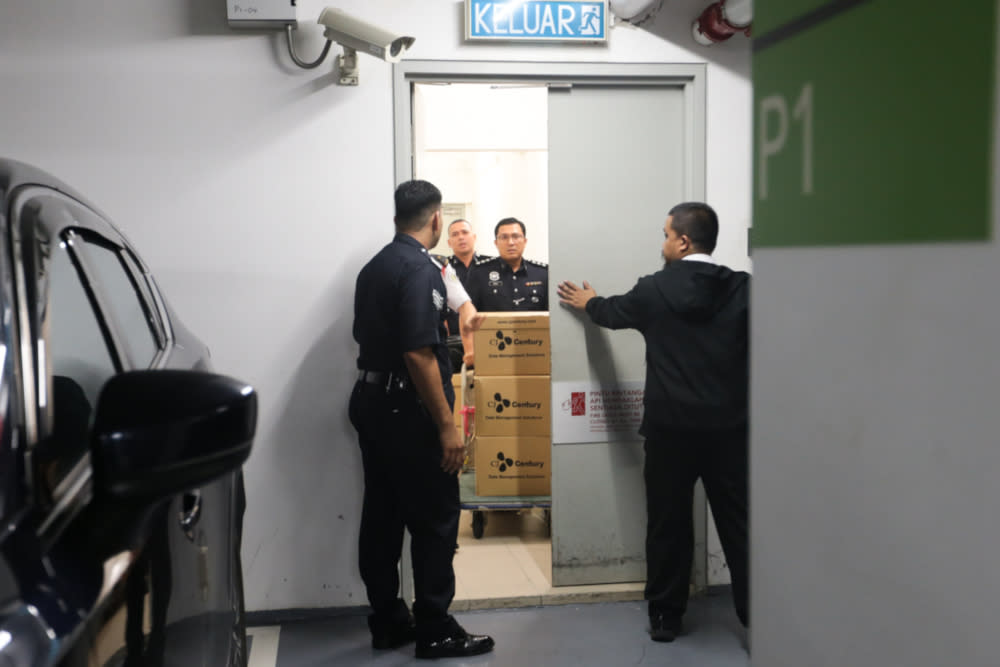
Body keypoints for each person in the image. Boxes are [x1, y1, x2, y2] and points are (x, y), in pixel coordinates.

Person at [556, 202, 749, 643]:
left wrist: (590, 303)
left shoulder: (654, 289)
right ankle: (757, 614)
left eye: (665, 235)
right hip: (730, 431)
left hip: (671, 431)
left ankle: (665, 616)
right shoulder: (744, 289)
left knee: (668, 523)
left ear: (682, 241)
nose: (662, 244)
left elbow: (612, 312)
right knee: (740, 525)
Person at [349, 179, 494, 659]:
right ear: (436, 220)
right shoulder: (420, 270)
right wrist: (447, 426)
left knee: (384, 514)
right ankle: (435, 627)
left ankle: (389, 620)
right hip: (407, 409)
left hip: (372, 401)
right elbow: (418, 352)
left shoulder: (375, 267)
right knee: (435, 517)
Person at [465, 217, 548, 312]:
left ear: (525, 241)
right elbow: (469, 313)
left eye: (516, 236)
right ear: (496, 243)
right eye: (504, 237)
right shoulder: (479, 272)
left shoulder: (543, 273)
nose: (510, 242)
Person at [445, 218, 493, 284]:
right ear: (449, 243)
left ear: (474, 237)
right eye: (455, 234)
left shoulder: (491, 264)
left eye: (465, 232)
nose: (461, 237)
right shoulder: (444, 267)